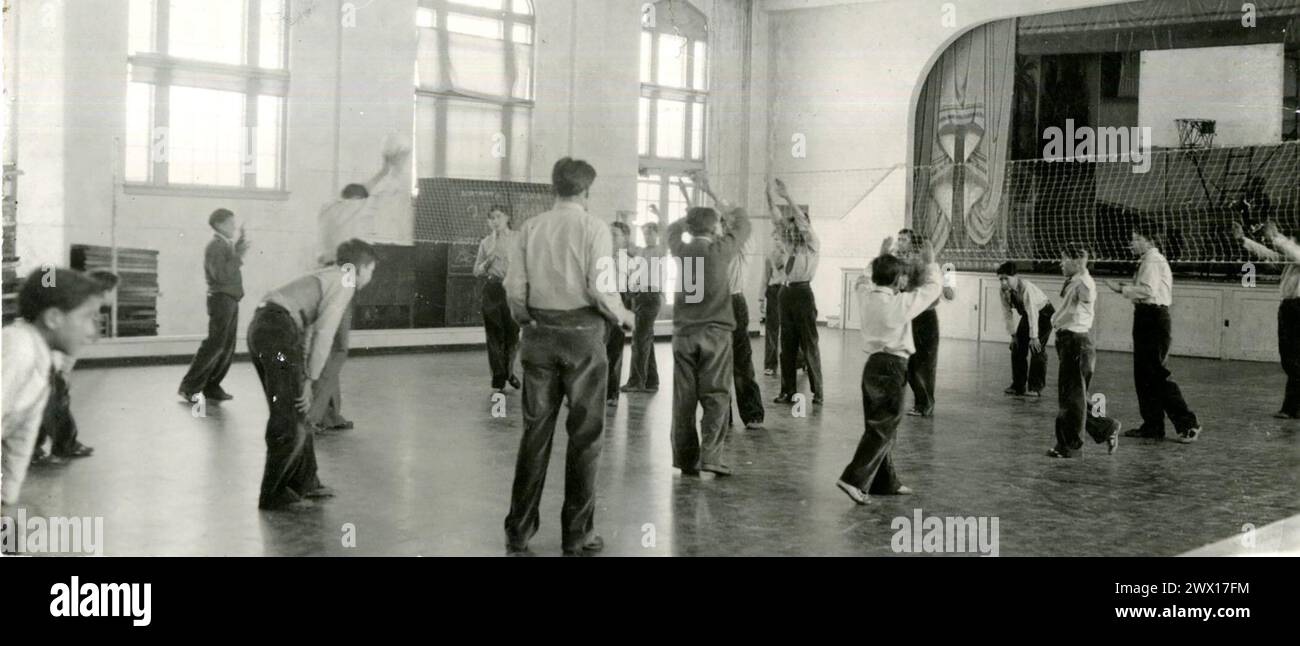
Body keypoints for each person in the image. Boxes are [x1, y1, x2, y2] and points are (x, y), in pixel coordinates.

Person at [503, 157, 633, 556]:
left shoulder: (530, 228)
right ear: (587, 192)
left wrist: (529, 320)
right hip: (583, 338)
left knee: (534, 435)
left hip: (539, 337)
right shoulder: (594, 228)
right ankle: (577, 534)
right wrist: (624, 316)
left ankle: (519, 532)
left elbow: (514, 288)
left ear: (552, 188)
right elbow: (601, 287)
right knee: (586, 437)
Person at [250, 239, 377, 510]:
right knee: (289, 415)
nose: (370, 277)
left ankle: (306, 481)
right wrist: (310, 379)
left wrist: (305, 372)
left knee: (296, 412)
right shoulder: (345, 281)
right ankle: (272, 494)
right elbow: (324, 333)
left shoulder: (328, 275)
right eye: (371, 270)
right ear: (360, 268)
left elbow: (307, 330)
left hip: (269, 329)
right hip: (277, 333)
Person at [835, 237, 939, 505]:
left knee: (879, 425)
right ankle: (853, 479)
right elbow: (932, 287)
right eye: (902, 277)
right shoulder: (899, 304)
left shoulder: (866, 295)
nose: (905, 281)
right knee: (883, 428)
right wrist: (930, 261)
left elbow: (862, 278)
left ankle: (885, 481)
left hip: (872, 366)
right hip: (892, 366)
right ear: (896, 281)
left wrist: (879, 257)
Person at [309, 150, 407, 431]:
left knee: (331, 350)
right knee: (337, 349)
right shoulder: (358, 207)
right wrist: (392, 169)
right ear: (358, 200)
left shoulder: (328, 208)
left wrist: (382, 168)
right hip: (342, 279)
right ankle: (314, 416)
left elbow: (363, 189)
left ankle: (329, 414)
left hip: (323, 276)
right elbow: (374, 192)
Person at [2, 268, 105, 507]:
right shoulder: (18, 349)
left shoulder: (42, 361)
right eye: (88, 317)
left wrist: (6, 500)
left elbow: (19, 441)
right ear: (54, 318)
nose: (93, 333)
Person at [666, 194, 752, 476]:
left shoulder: (681, 249)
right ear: (715, 228)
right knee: (716, 395)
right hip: (715, 334)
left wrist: (689, 220)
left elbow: (672, 230)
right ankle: (711, 457)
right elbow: (743, 223)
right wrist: (725, 207)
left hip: (683, 335)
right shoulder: (720, 250)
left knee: (684, 399)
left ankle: (685, 459)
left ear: (691, 229)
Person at [1104, 227, 1202, 443]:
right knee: (1144, 375)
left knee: (1156, 373)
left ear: (1149, 241)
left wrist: (1121, 288)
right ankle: (1152, 425)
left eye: (1136, 239)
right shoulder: (1146, 260)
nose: (1132, 243)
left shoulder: (1153, 261)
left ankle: (1188, 424)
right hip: (1145, 316)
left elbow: (1147, 291)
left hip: (1153, 318)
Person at [683, 174, 764, 430]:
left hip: (734, 303)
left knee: (741, 361)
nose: (721, 226)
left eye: (725, 223)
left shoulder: (743, 244)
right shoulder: (711, 247)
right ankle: (722, 416)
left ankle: (752, 415)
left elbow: (733, 216)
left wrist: (710, 190)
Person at [30, 271, 119, 466]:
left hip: (53, 363)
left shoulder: (81, 306)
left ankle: (35, 448)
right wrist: (60, 370)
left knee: (47, 405)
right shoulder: (75, 307)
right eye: (106, 292)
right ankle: (64, 446)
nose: (107, 297)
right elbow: (60, 339)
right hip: (52, 363)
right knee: (57, 406)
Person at [1050, 243, 1122, 458]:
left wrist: (1082, 269)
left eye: (1064, 259)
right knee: (1075, 396)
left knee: (1071, 398)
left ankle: (1070, 446)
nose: (1060, 263)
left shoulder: (1084, 282)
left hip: (1077, 342)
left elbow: (1087, 297)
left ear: (1076, 261)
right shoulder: (1074, 281)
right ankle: (1106, 427)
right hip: (1069, 340)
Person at [178, 208, 247, 404]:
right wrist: (238, 255)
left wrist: (238, 249)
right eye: (230, 223)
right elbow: (221, 275)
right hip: (221, 299)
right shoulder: (215, 246)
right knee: (215, 344)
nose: (233, 227)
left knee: (226, 346)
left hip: (230, 299)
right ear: (218, 225)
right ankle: (189, 387)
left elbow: (228, 268)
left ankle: (211, 385)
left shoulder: (226, 245)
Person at [1234, 221, 1300, 419]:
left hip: (1297, 308)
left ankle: (1291, 408)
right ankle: (1292, 408)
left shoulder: (1296, 255)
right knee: (1290, 360)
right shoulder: (1292, 259)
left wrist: (1275, 237)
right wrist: (1243, 240)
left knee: (1293, 361)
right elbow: (1270, 255)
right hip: (1289, 308)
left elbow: (1293, 252)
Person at [770, 178, 824, 406]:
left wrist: (788, 197)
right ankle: (788, 391)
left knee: (809, 343)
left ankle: (818, 391)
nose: (793, 230)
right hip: (787, 294)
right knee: (787, 346)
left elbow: (801, 222)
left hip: (803, 294)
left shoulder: (812, 244)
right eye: (791, 228)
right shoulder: (789, 245)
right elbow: (777, 221)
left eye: (797, 227)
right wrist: (768, 197)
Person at [895, 229, 955, 416]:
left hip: (926, 318)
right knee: (909, 363)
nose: (917, 253)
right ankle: (919, 402)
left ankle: (925, 404)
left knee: (924, 364)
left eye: (921, 249)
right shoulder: (908, 266)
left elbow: (949, 296)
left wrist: (949, 278)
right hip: (910, 317)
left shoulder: (934, 268)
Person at [473, 205, 521, 395]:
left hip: (512, 289)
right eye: (491, 218)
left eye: (498, 216)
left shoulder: (518, 238)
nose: (495, 221)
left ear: (507, 217)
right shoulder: (485, 242)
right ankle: (499, 378)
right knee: (494, 335)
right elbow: (476, 271)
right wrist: (487, 262)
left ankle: (508, 372)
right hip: (492, 290)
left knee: (512, 334)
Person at [996, 262, 1055, 398]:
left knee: (1036, 348)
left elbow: (1033, 312)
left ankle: (1035, 387)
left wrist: (1034, 337)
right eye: (1001, 279)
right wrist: (1013, 335)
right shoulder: (1003, 291)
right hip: (1029, 316)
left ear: (1015, 277)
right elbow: (1007, 313)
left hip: (1044, 314)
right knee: (1017, 347)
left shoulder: (1026, 288)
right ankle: (1018, 385)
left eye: (1006, 278)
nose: (1003, 282)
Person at [621, 221, 663, 393]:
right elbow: (626, 245)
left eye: (651, 233)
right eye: (645, 233)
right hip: (639, 297)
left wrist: (660, 216)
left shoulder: (659, 251)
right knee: (645, 340)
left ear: (656, 234)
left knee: (639, 341)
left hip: (651, 297)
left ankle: (636, 382)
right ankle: (651, 381)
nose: (647, 236)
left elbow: (667, 237)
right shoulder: (641, 251)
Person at [605, 221, 634, 406]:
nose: (611, 237)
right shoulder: (601, 256)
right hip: (602, 299)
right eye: (610, 233)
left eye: (615, 234)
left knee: (615, 349)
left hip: (620, 301)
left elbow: (632, 288)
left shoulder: (630, 261)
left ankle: (612, 393)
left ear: (625, 238)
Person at [761, 230, 787, 376]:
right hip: (773, 292)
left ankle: (800, 361)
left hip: (789, 291)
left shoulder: (792, 255)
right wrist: (761, 298)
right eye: (775, 239)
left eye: (780, 239)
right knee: (771, 329)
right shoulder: (770, 256)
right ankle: (770, 364)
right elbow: (765, 277)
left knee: (791, 329)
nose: (777, 242)